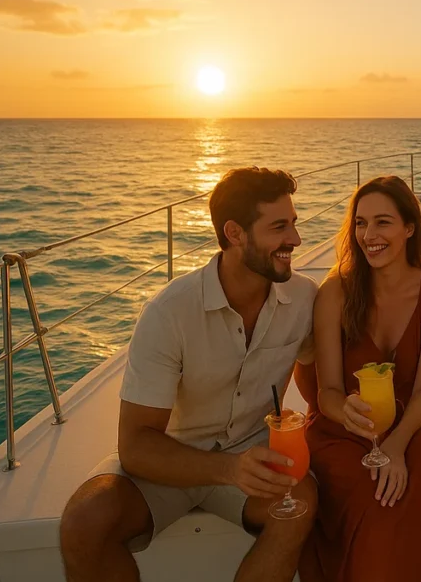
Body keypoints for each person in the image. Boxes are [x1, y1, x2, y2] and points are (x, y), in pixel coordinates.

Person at [59, 167, 319, 582]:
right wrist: (228, 470)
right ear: (235, 233)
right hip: (171, 459)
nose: (296, 239)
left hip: (254, 456)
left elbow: (316, 379)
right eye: (279, 227)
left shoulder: (305, 298)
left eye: (294, 224)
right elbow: (137, 446)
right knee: (85, 521)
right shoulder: (170, 312)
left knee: (300, 503)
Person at [294, 175, 421, 582]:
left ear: (409, 228)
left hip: (411, 421)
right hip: (343, 426)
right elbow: (326, 392)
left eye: (382, 222)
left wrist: (395, 446)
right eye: (360, 223)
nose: (368, 235)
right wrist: (346, 412)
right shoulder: (336, 292)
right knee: (369, 497)